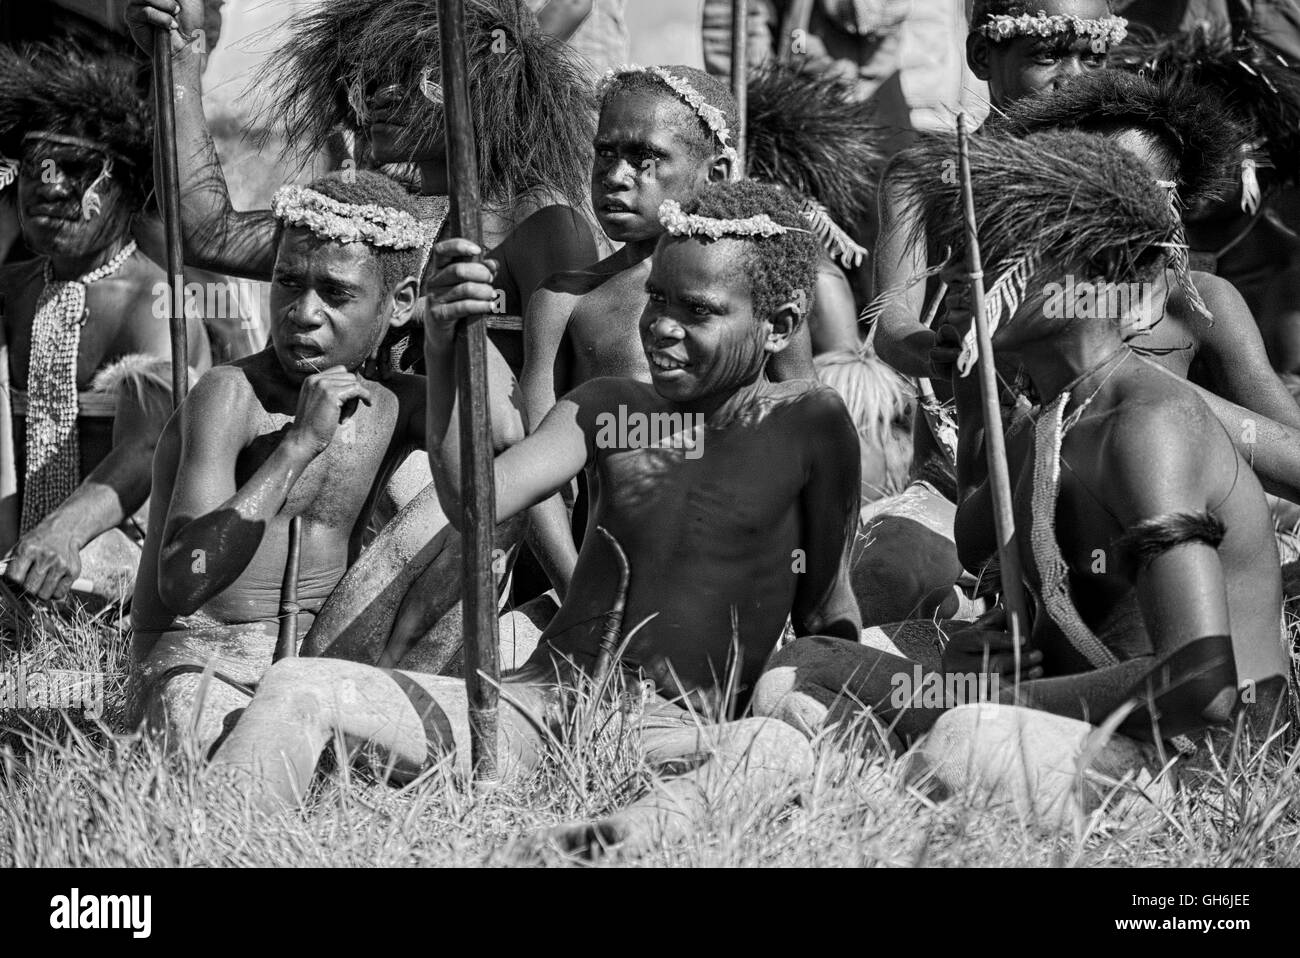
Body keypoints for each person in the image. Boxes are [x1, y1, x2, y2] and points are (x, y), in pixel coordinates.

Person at [209, 181, 861, 857]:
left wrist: (839, 707)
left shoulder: (812, 428)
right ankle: (205, 845)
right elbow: (473, 502)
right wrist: (440, 352)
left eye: (697, 311)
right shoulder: (610, 407)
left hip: (678, 736)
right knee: (295, 688)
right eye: (657, 298)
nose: (662, 326)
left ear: (779, 325)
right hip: (528, 713)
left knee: (775, 746)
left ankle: (602, 843)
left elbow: (825, 615)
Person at [755, 129, 1293, 820]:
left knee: (964, 742)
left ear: (1086, 277)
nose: (962, 276)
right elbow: (990, 559)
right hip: (1060, 714)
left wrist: (1001, 701)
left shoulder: (1150, 426)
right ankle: (860, 782)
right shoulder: (1055, 409)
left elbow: (1203, 683)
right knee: (804, 669)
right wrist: (979, 661)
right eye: (962, 253)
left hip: (1195, 764)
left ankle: (865, 788)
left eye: (1001, 251)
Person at [125, 0, 597, 653]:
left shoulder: (536, 218)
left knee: (446, 496)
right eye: (364, 76)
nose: (369, 95)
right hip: (344, 478)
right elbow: (203, 229)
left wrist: (576, 589)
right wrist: (176, 58)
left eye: (398, 76)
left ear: (457, 86)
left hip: (470, 500)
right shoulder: (362, 221)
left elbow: (544, 420)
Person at [130, 170, 527, 751]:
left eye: (336, 294)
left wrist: (450, 335)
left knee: (495, 507)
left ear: (398, 305)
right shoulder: (228, 394)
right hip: (206, 661)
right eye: (288, 283)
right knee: (234, 769)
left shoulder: (396, 403)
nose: (303, 312)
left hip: (320, 666)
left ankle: (386, 690)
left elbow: (502, 443)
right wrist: (295, 447)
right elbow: (182, 584)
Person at [856, 0, 1126, 625]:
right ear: (983, 56)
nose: (1075, 78)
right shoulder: (926, 174)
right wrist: (937, 350)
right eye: (1047, 55)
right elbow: (890, 323)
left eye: (1094, 57)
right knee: (884, 577)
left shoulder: (1127, 180)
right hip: (956, 489)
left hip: (1095, 485)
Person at [519, 64, 817, 591]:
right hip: (613, 572)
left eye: (647, 158)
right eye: (606, 152)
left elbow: (809, 431)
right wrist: (578, 601)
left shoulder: (757, 287)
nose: (615, 175)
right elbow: (537, 480)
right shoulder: (564, 300)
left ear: (717, 174)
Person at [0, 41, 211, 604]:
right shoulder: (15, 287)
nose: (48, 184)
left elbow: (148, 447)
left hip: (115, 562)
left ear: (123, 185)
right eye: (33, 169)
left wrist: (63, 531)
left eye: (72, 168)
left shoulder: (158, 300)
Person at [1110, 22, 1300, 378]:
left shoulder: (1289, 278)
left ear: (1256, 153)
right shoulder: (1134, 262)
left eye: (1213, 149)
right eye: (1178, 148)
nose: (1194, 169)